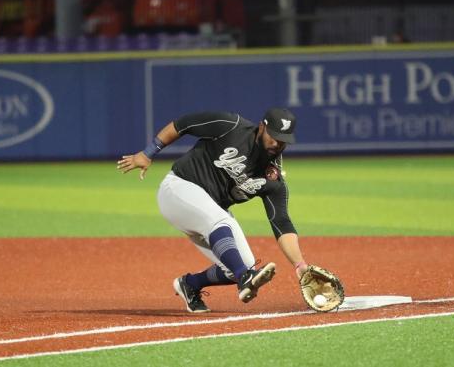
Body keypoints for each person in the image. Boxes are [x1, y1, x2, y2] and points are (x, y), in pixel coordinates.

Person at [117, 107, 310, 313]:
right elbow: (183, 124)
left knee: (242, 263)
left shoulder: (273, 179)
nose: (277, 144)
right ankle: (245, 278)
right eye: (274, 137)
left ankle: (191, 284)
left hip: (210, 210)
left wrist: (301, 266)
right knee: (226, 235)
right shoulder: (232, 127)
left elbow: (281, 223)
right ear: (262, 127)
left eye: (283, 140)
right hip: (178, 189)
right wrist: (148, 153)